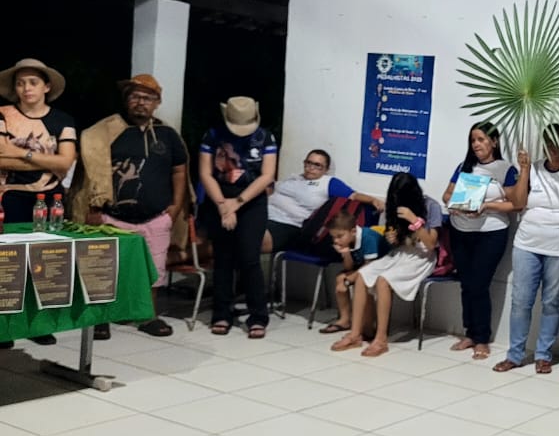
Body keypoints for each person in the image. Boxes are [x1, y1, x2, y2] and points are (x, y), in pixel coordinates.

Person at [71, 73, 192, 340]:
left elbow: (180, 171)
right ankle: (101, 317)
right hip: (112, 216)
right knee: (104, 268)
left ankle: (147, 314)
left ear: (157, 103)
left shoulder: (168, 135)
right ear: (126, 100)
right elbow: (89, 171)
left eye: (148, 98)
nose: (141, 102)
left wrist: (174, 207)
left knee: (154, 269)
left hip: (155, 217)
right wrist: (93, 208)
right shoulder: (102, 133)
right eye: (135, 96)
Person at [492, 123, 559, 374]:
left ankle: (543, 354)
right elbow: (518, 203)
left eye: (556, 143)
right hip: (527, 243)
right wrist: (525, 169)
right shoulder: (535, 168)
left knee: (552, 301)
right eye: (547, 143)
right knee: (521, 301)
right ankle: (515, 354)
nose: (551, 149)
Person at [0, 58, 78, 348]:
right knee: (7, 264)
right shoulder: (3, 115)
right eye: (20, 83)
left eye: (32, 82)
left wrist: (20, 153)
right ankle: (5, 327)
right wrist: (48, 159)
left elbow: (66, 161)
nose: (26, 88)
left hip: (49, 200)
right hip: (8, 197)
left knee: (44, 263)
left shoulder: (63, 120)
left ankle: (38, 324)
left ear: (46, 86)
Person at [331, 171, 442, 357]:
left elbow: (431, 244)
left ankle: (381, 339)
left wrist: (413, 220)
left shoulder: (431, 206)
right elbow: (394, 239)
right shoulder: (393, 205)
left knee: (383, 280)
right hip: (400, 252)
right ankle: (355, 334)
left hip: (422, 257)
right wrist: (393, 238)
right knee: (363, 275)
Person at [198, 97, 277, 338]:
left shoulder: (265, 137)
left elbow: (267, 176)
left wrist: (238, 203)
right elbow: (205, 173)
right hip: (219, 199)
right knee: (223, 258)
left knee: (249, 258)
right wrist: (223, 205)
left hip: (251, 202)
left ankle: (258, 316)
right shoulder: (212, 135)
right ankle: (221, 313)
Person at [441, 121, 518, 360]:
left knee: (479, 284)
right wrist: (454, 206)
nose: (476, 144)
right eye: (473, 140)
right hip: (460, 230)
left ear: (494, 142)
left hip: (491, 233)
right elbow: (447, 194)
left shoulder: (506, 169)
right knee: (466, 283)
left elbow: (515, 204)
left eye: (481, 139)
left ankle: (482, 338)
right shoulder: (465, 166)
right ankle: (470, 333)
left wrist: (487, 206)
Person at [264, 149, 383, 253]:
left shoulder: (328, 182)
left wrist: (373, 200)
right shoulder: (294, 178)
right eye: (308, 163)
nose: (311, 168)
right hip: (264, 216)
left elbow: (353, 195)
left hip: (289, 225)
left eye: (317, 165)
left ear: (326, 169)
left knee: (251, 241)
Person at [318, 210, 383, 337]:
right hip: (364, 267)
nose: (336, 241)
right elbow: (349, 267)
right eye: (333, 237)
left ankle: (368, 327)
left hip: (379, 267)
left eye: (339, 236)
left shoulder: (367, 237)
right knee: (340, 278)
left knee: (360, 283)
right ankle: (345, 319)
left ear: (353, 231)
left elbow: (370, 267)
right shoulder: (347, 240)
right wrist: (346, 253)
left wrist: (348, 282)